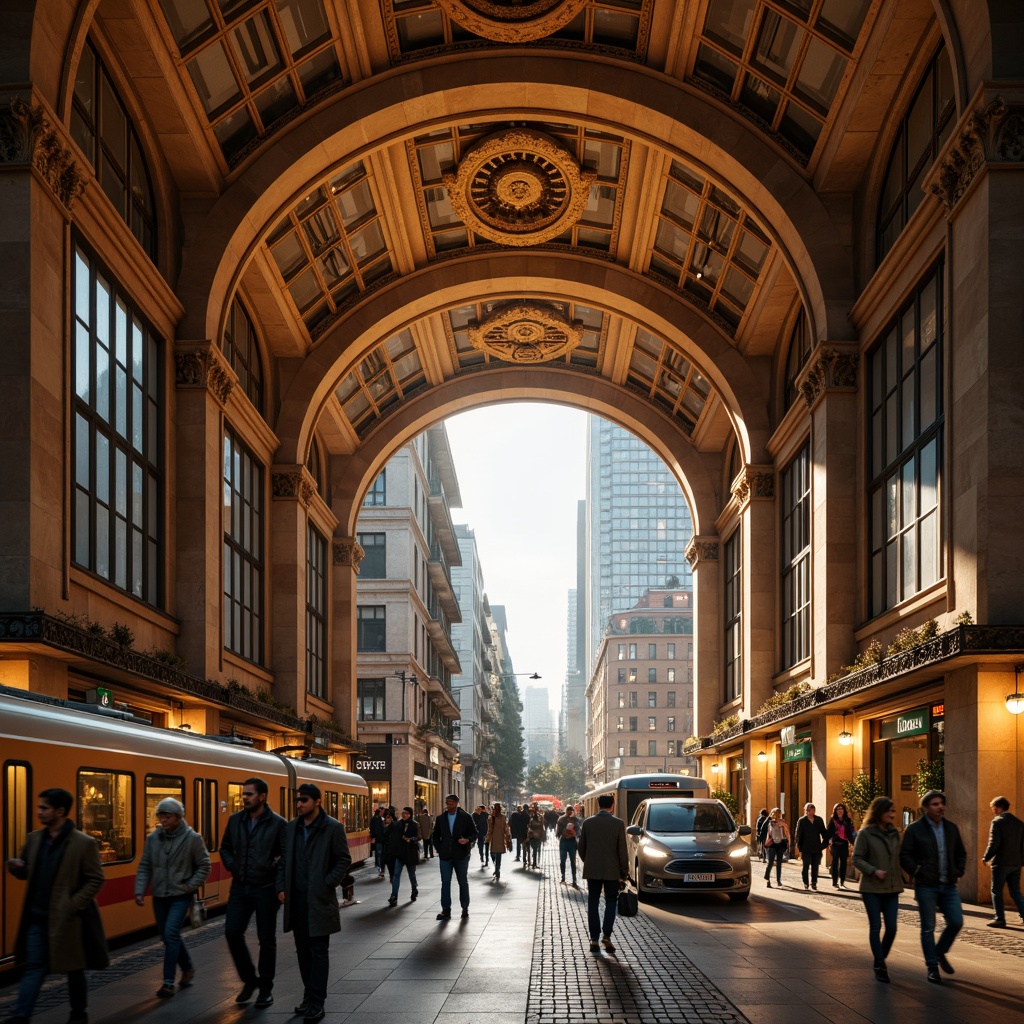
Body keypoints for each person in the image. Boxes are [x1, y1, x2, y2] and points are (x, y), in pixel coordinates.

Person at [5, 788, 107, 1024]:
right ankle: (21, 1015)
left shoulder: (83, 843)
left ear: (60, 811)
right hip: (37, 918)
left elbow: (96, 878)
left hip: (68, 918)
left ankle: (78, 1013)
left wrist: (75, 903)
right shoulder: (34, 839)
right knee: (34, 966)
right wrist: (18, 868)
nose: (39, 812)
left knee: (74, 968)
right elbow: (28, 870)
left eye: (44, 808)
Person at [277, 783, 352, 1023]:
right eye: (298, 800)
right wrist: (281, 886)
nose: (299, 804)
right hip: (297, 901)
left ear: (317, 802)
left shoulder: (333, 828)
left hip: (319, 900)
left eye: (304, 800)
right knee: (303, 952)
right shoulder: (291, 829)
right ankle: (309, 995)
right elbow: (283, 861)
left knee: (319, 952)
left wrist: (327, 883)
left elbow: (343, 859)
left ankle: (317, 1002)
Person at [220, 776, 287, 1007]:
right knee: (232, 932)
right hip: (240, 886)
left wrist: (275, 876)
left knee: (266, 939)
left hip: (266, 889)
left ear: (262, 796)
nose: (244, 797)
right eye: (244, 793)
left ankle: (265, 988)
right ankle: (249, 980)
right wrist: (234, 866)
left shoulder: (278, 823)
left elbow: (285, 857)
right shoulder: (235, 820)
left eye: (249, 794)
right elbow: (225, 848)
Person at [135, 797, 211, 998]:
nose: (162, 820)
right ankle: (187, 967)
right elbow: (145, 865)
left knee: (170, 934)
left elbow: (205, 864)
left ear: (178, 817)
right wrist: (140, 889)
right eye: (160, 815)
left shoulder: (192, 838)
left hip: (180, 895)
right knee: (168, 936)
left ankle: (168, 982)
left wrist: (190, 885)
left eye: (167, 816)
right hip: (160, 895)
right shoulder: (153, 839)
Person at [899, 789, 967, 984]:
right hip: (926, 886)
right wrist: (917, 871)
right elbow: (905, 856)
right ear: (926, 808)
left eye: (942, 803)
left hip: (949, 885)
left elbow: (961, 852)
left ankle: (939, 951)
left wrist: (958, 870)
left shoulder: (951, 828)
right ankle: (932, 966)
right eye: (935, 804)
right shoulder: (915, 829)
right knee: (928, 928)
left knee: (956, 922)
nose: (940, 807)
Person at [852, 796, 903, 983]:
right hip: (871, 888)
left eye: (893, 811)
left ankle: (879, 958)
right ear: (879, 812)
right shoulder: (865, 834)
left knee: (892, 928)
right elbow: (857, 859)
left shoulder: (894, 833)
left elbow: (899, 856)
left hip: (892, 887)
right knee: (876, 927)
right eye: (889, 811)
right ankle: (880, 964)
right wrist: (874, 871)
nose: (892, 814)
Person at [578, 794, 628, 953]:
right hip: (612, 870)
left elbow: (581, 848)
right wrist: (624, 872)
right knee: (611, 901)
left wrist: (590, 861)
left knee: (592, 902)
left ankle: (594, 939)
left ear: (598, 805)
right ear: (612, 805)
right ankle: (606, 935)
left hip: (592, 870)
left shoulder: (588, 823)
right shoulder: (618, 824)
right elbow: (622, 851)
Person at [431, 793, 476, 920]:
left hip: (461, 854)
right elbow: (435, 836)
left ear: (456, 803)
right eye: (447, 803)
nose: (448, 805)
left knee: (462, 881)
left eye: (451, 802)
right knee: (445, 882)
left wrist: (467, 840)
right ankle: (446, 910)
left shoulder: (466, 817)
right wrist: (439, 849)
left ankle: (465, 907)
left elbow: (474, 833)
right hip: (445, 855)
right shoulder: (441, 818)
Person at [981, 795, 1024, 928]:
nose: (993, 811)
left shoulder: (997, 822)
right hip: (1016, 863)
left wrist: (986, 857)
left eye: (993, 808)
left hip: (1001, 863)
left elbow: (994, 842)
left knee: (996, 891)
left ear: (998, 808)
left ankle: (1000, 919)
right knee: (1015, 891)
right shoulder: (1019, 823)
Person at [386, 807, 420, 905]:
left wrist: (411, 839)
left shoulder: (415, 824)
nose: (404, 815)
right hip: (399, 853)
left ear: (410, 814)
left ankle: (414, 889)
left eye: (407, 813)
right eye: (403, 813)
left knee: (412, 875)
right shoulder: (396, 824)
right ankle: (394, 896)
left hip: (410, 853)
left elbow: (419, 836)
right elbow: (387, 833)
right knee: (396, 875)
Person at [794, 802, 829, 890]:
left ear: (814, 810)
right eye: (807, 809)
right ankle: (806, 882)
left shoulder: (819, 820)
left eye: (811, 809)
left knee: (815, 867)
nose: (809, 811)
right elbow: (798, 834)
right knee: (805, 867)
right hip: (805, 848)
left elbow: (824, 832)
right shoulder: (802, 821)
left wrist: (824, 844)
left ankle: (814, 882)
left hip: (817, 848)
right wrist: (798, 846)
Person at [826, 802, 856, 889]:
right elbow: (829, 832)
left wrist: (853, 842)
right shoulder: (832, 820)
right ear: (835, 811)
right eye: (838, 809)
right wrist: (829, 841)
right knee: (835, 863)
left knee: (843, 863)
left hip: (844, 844)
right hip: (835, 844)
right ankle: (835, 881)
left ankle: (842, 881)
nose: (840, 810)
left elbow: (850, 832)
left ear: (844, 810)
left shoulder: (847, 820)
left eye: (841, 809)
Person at [762, 807, 789, 888]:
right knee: (770, 862)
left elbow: (787, 833)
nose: (776, 815)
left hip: (780, 843)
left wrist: (788, 842)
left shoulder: (783, 823)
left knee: (779, 863)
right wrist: (764, 843)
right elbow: (764, 832)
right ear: (772, 814)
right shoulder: (768, 822)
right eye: (774, 813)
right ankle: (767, 879)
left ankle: (778, 880)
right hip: (771, 844)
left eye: (778, 814)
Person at [556, 804, 581, 886]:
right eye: (568, 810)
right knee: (563, 859)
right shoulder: (562, 819)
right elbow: (558, 832)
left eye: (571, 810)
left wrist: (574, 833)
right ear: (566, 811)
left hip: (571, 841)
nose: (569, 812)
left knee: (572, 861)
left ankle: (574, 879)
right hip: (564, 840)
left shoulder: (576, 820)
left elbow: (578, 832)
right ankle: (563, 876)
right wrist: (565, 831)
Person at [486, 802, 511, 882]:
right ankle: (497, 868)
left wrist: (507, 836)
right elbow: (505, 828)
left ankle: (497, 869)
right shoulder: (492, 818)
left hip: (496, 838)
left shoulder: (495, 818)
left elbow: (505, 828)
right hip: (497, 838)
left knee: (495, 854)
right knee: (496, 854)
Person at [369, 805, 385, 877]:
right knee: (380, 853)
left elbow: (371, 828)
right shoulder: (381, 820)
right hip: (381, 838)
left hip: (377, 838)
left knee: (378, 852)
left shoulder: (373, 819)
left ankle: (378, 864)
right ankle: (380, 866)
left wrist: (373, 835)